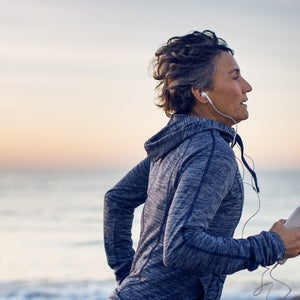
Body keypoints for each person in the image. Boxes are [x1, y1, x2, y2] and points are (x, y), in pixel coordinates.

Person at [103, 30, 300, 300]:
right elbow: (182, 246)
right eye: (234, 76)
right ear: (201, 92)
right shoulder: (210, 151)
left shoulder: (177, 143)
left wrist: (130, 279)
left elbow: (117, 199)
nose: (247, 86)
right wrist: (273, 245)